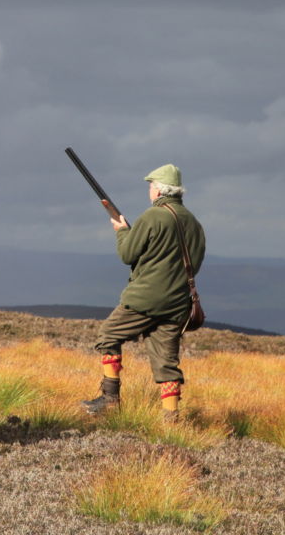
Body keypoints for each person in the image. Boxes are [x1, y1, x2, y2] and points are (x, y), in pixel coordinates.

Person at [82, 164, 206, 423]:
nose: (149, 190)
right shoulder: (194, 224)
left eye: (151, 186)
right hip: (178, 304)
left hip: (145, 299)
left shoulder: (152, 217)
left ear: (160, 190)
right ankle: (171, 420)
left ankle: (110, 400)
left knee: (108, 336)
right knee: (167, 362)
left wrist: (122, 231)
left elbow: (127, 254)